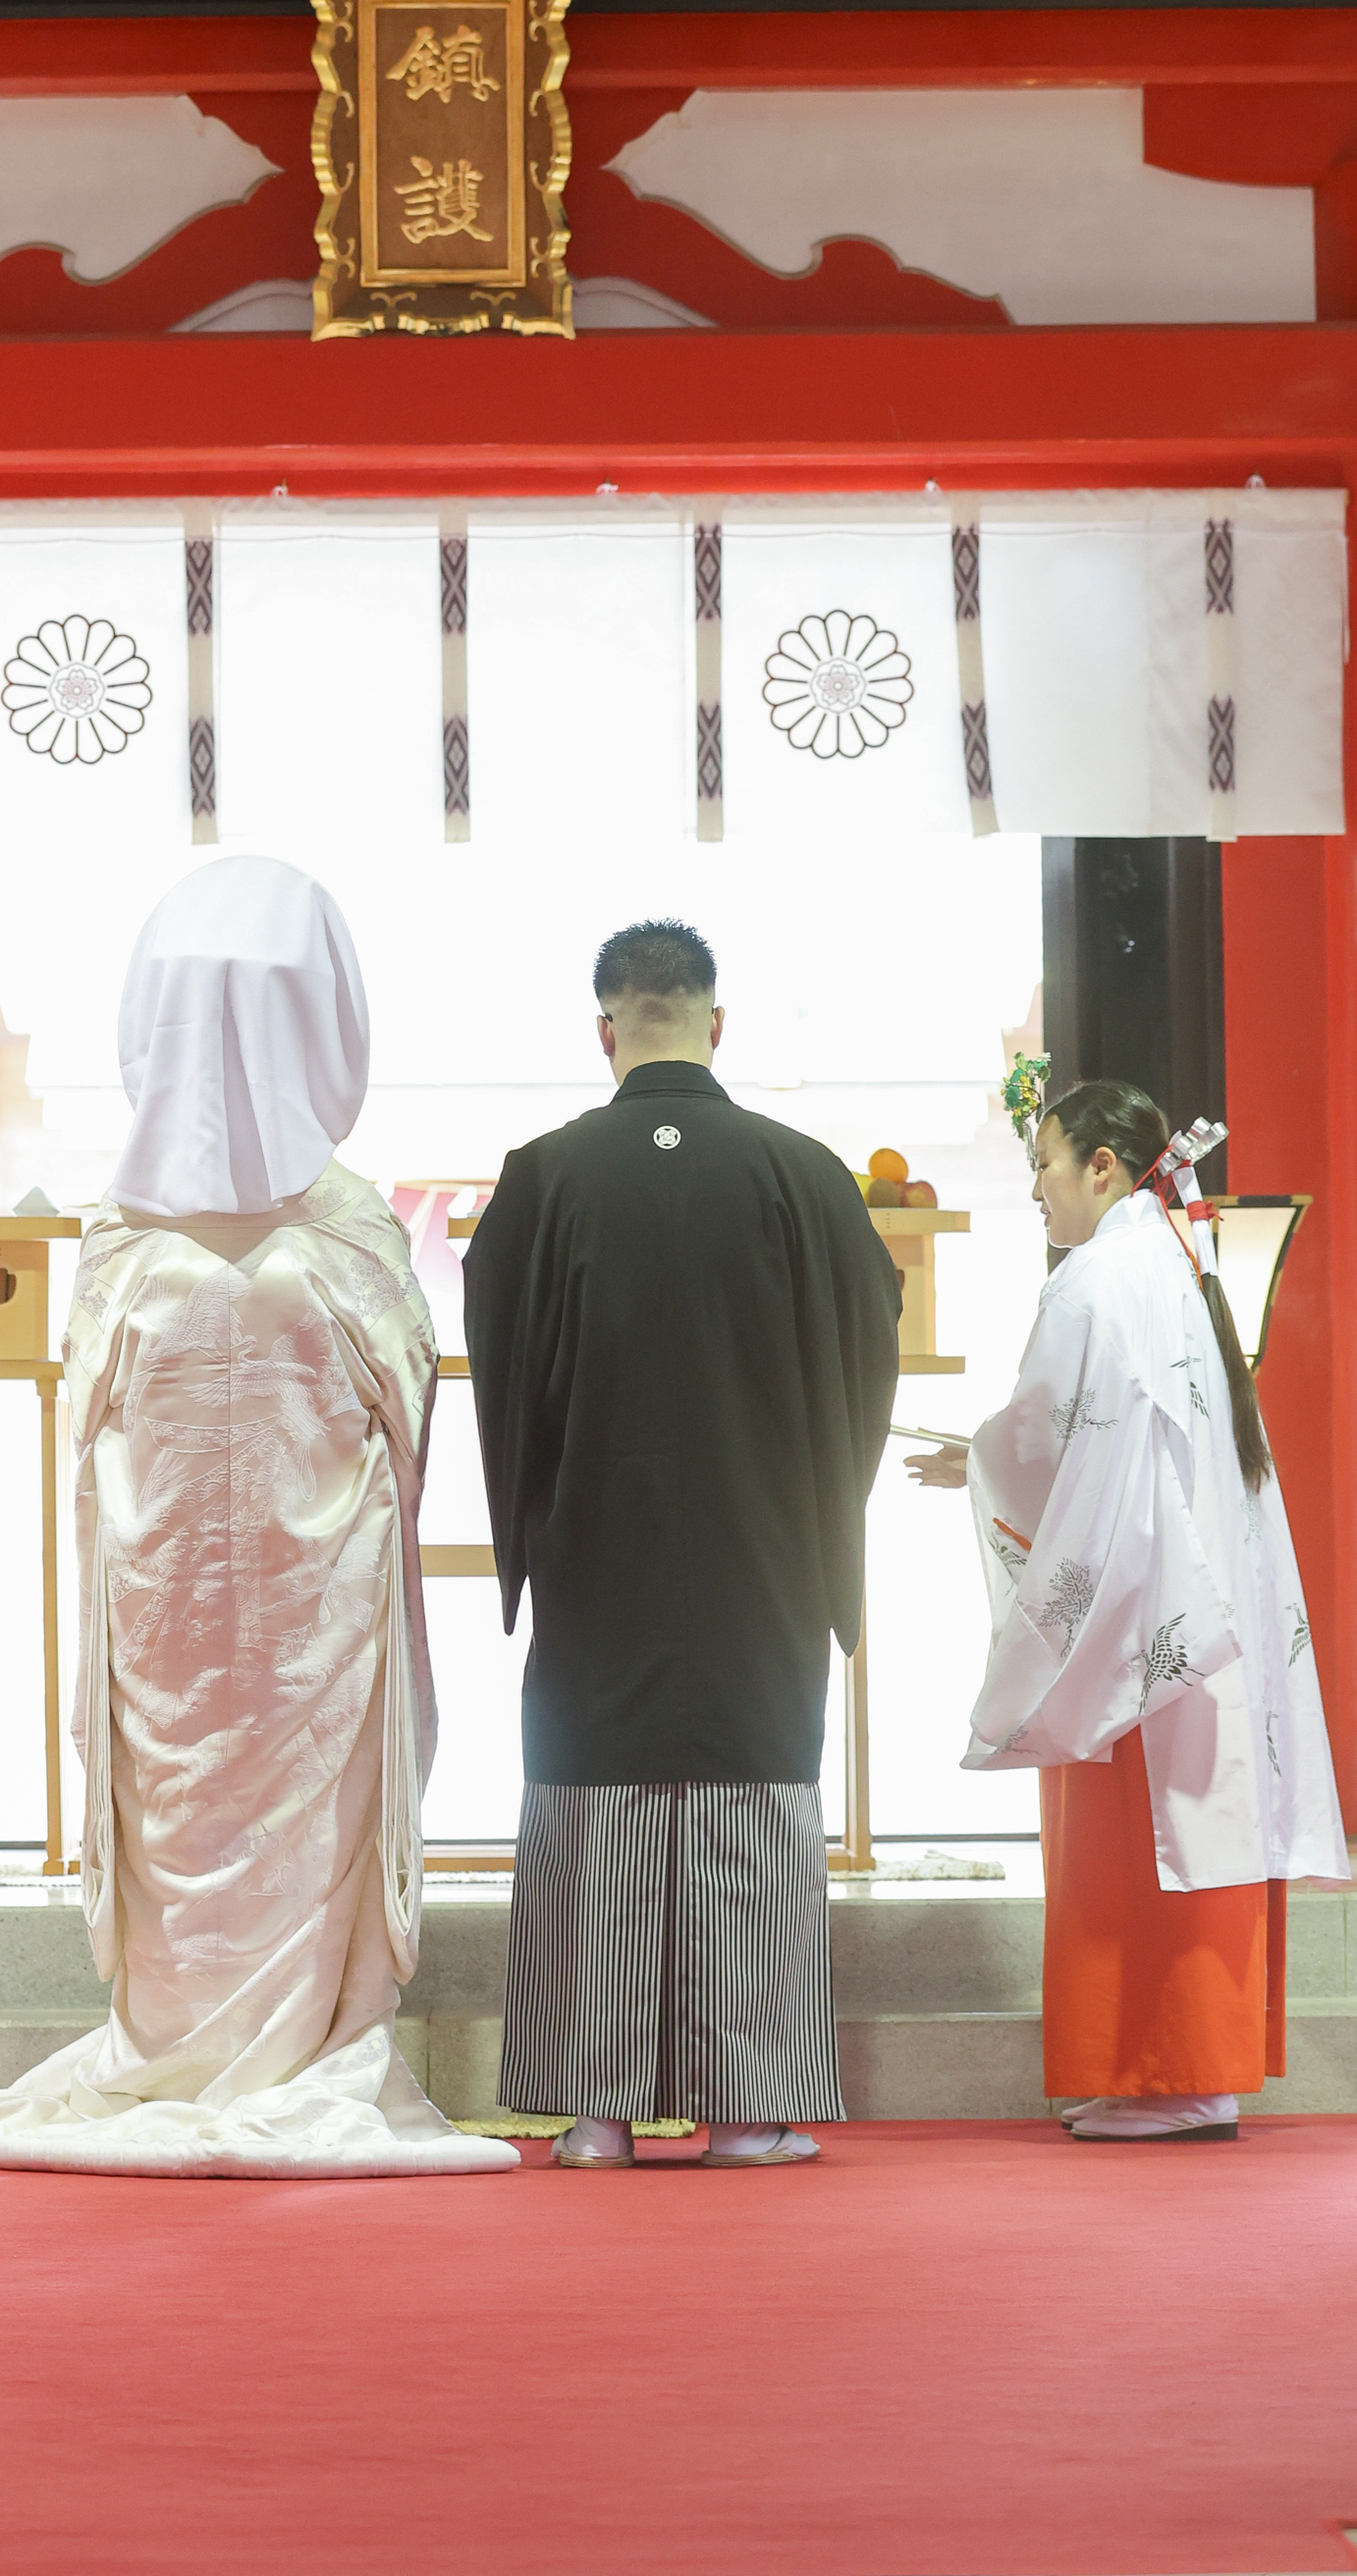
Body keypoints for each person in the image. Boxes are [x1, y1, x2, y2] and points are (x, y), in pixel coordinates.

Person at [0, 857, 515, 2179]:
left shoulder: (125, 1238)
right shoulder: (349, 1230)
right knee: (295, 1812)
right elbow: (407, 1422)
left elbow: (92, 1434)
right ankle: (286, 2041)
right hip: (312, 1619)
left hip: (169, 1601)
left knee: (196, 1804)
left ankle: (189, 2033)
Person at [462, 917, 901, 2169]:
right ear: (718, 1022)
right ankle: (749, 2111)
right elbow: (869, 1344)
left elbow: (500, 1355)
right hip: (763, 1543)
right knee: (753, 1794)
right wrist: (817, 1492)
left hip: (596, 1545)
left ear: (606, 1031)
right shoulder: (801, 1172)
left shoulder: (545, 1176)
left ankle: (594, 2113)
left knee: (592, 1795)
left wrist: (540, 1511)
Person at [908, 1079, 1347, 2142]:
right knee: (1209, 1811)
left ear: (1101, 1167)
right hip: (1202, 1592)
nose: (1036, 1192)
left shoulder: (1096, 1278)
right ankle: (1198, 2067)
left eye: (1044, 1167)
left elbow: (1048, 1437)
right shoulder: (1174, 1264)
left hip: (1141, 1600)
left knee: (1139, 1831)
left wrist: (977, 1461)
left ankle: (1171, 2072)